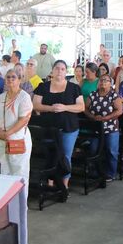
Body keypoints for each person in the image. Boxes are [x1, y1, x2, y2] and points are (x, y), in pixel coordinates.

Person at [33, 60, 84, 188]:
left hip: (68, 128)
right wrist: (51, 108)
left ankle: (64, 185)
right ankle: (50, 182)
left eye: (62, 69)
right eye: (57, 68)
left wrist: (65, 107)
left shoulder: (74, 88)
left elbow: (81, 107)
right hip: (48, 128)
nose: (59, 71)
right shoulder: (43, 87)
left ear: (66, 72)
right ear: (52, 70)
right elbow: (36, 105)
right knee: (50, 155)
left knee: (65, 156)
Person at [85, 75, 123, 181]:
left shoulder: (114, 95)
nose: (103, 82)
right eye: (101, 80)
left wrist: (106, 118)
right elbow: (85, 108)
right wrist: (92, 117)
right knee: (93, 149)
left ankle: (111, 173)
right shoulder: (93, 94)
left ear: (110, 83)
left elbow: (119, 110)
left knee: (111, 151)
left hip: (111, 128)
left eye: (106, 80)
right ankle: (94, 172)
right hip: (96, 128)